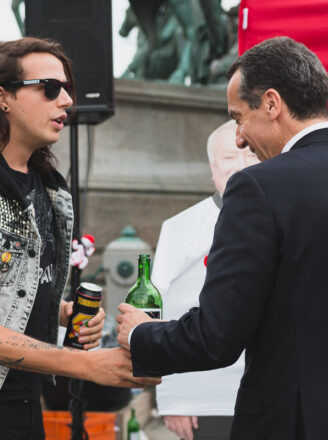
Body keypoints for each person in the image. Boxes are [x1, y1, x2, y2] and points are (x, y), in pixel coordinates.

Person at [0, 37, 158, 440]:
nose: (67, 100)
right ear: (2, 96)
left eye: (68, 89)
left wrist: (63, 311)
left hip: (24, 399)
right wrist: (88, 365)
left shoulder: (47, 187)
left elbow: (3, 285)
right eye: (50, 88)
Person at [116, 36, 328, 439]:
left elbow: (217, 336)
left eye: (237, 118)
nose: (239, 139)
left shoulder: (258, 187)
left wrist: (141, 333)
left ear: (271, 103)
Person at [153, 121, 258, 440]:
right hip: (205, 399)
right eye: (228, 158)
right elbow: (156, 309)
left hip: (271, 390)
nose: (239, 165)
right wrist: (171, 397)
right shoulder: (181, 227)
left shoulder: (282, 215)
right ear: (213, 168)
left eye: (249, 155)